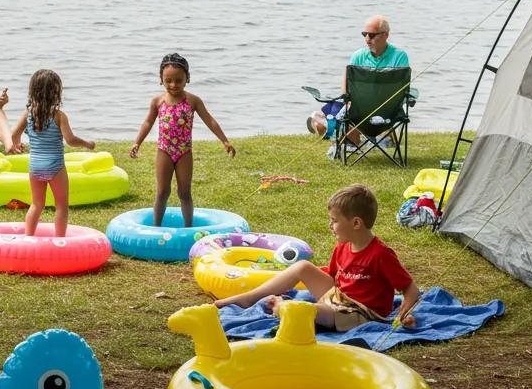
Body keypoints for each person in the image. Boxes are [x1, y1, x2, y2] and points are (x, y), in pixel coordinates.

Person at [213, 184, 420, 330]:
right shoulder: (343, 247)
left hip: (361, 313)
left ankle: (281, 307)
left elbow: (410, 289)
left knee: (305, 311)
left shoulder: (381, 254)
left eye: (334, 221)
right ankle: (248, 298)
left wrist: (403, 314)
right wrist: (296, 277)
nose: (330, 226)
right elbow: (331, 276)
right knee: (303, 266)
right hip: (339, 298)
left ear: (356, 223)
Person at [129, 53, 236, 226]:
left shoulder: (193, 101)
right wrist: (137, 143)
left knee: (184, 192)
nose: (173, 85)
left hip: (184, 152)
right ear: (161, 79)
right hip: (164, 150)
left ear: (187, 78)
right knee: (162, 191)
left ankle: (188, 227)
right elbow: (148, 122)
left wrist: (224, 140)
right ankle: (156, 226)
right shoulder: (158, 101)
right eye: (168, 80)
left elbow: (209, 120)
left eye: (179, 80)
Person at [9, 69, 96, 237]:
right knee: (61, 205)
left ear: (33, 91)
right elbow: (70, 140)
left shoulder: (28, 115)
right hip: (55, 167)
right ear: (56, 92)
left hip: (35, 166)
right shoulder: (58, 116)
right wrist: (87, 143)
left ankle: (28, 237)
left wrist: (17, 144)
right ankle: (60, 240)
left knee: (37, 204)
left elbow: (14, 135)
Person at [308, 16, 410, 143]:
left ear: (385, 35)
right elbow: (346, 85)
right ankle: (357, 136)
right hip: (358, 109)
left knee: (327, 118)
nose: (367, 38)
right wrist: (347, 97)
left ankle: (332, 128)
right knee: (339, 109)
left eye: (372, 35)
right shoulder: (358, 56)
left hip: (387, 111)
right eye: (365, 34)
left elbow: (400, 90)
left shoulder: (399, 57)